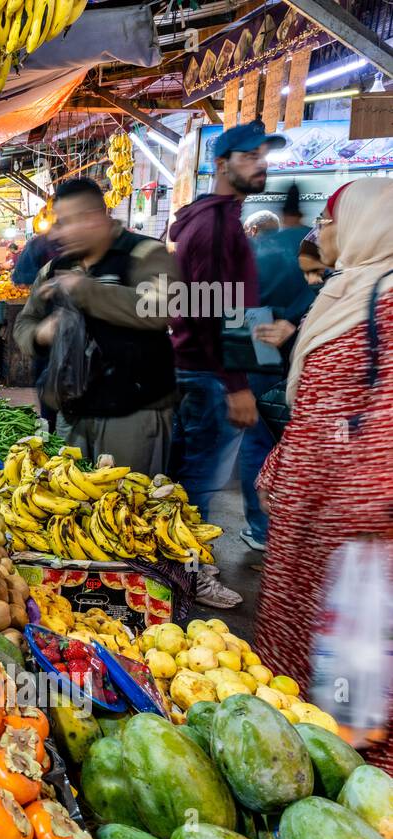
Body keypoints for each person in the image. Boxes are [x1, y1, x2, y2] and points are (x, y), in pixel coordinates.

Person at [255, 178, 393, 772]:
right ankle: (297, 762)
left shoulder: (385, 301)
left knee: (353, 663)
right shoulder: (351, 289)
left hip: (353, 528)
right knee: (305, 650)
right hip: (310, 512)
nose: (321, 233)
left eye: (331, 221)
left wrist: (357, 518)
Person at [168, 119, 284, 609]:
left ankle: (178, 567)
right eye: (248, 156)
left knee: (188, 481)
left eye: (263, 156)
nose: (259, 165)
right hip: (210, 375)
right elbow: (217, 310)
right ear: (220, 164)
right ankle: (189, 575)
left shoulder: (212, 218)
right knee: (199, 487)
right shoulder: (216, 226)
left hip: (198, 369)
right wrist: (237, 383)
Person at [12, 178, 178, 475]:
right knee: (69, 502)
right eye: (62, 222)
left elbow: (163, 308)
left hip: (132, 415)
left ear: (100, 216)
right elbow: (25, 323)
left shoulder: (143, 254)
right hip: (73, 414)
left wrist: (86, 291)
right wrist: (41, 334)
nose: (65, 231)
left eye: (76, 220)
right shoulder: (53, 269)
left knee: (129, 506)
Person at [237, 185, 315, 552]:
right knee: (296, 440)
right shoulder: (316, 246)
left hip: (258, 345)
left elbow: (235, 305)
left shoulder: (256, 250)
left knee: (256, 441)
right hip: (304, 351)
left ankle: (260, 528)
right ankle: (296, 530)